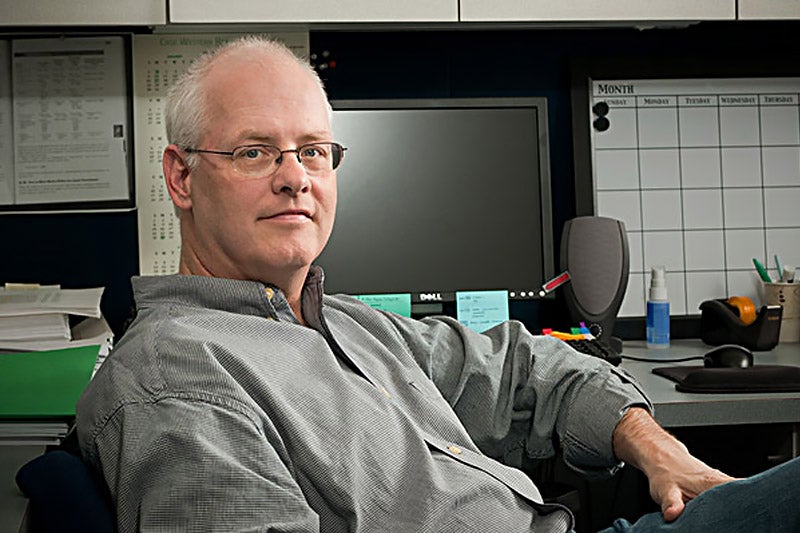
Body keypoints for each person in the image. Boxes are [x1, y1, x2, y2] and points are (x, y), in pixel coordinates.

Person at [76, 36, 799, 533]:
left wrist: (648, 439)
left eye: (314, 151)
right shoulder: (179, 377)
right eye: (254, 150)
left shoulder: (348, 324)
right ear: (181, 176)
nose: (295, 175)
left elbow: (524, 368)